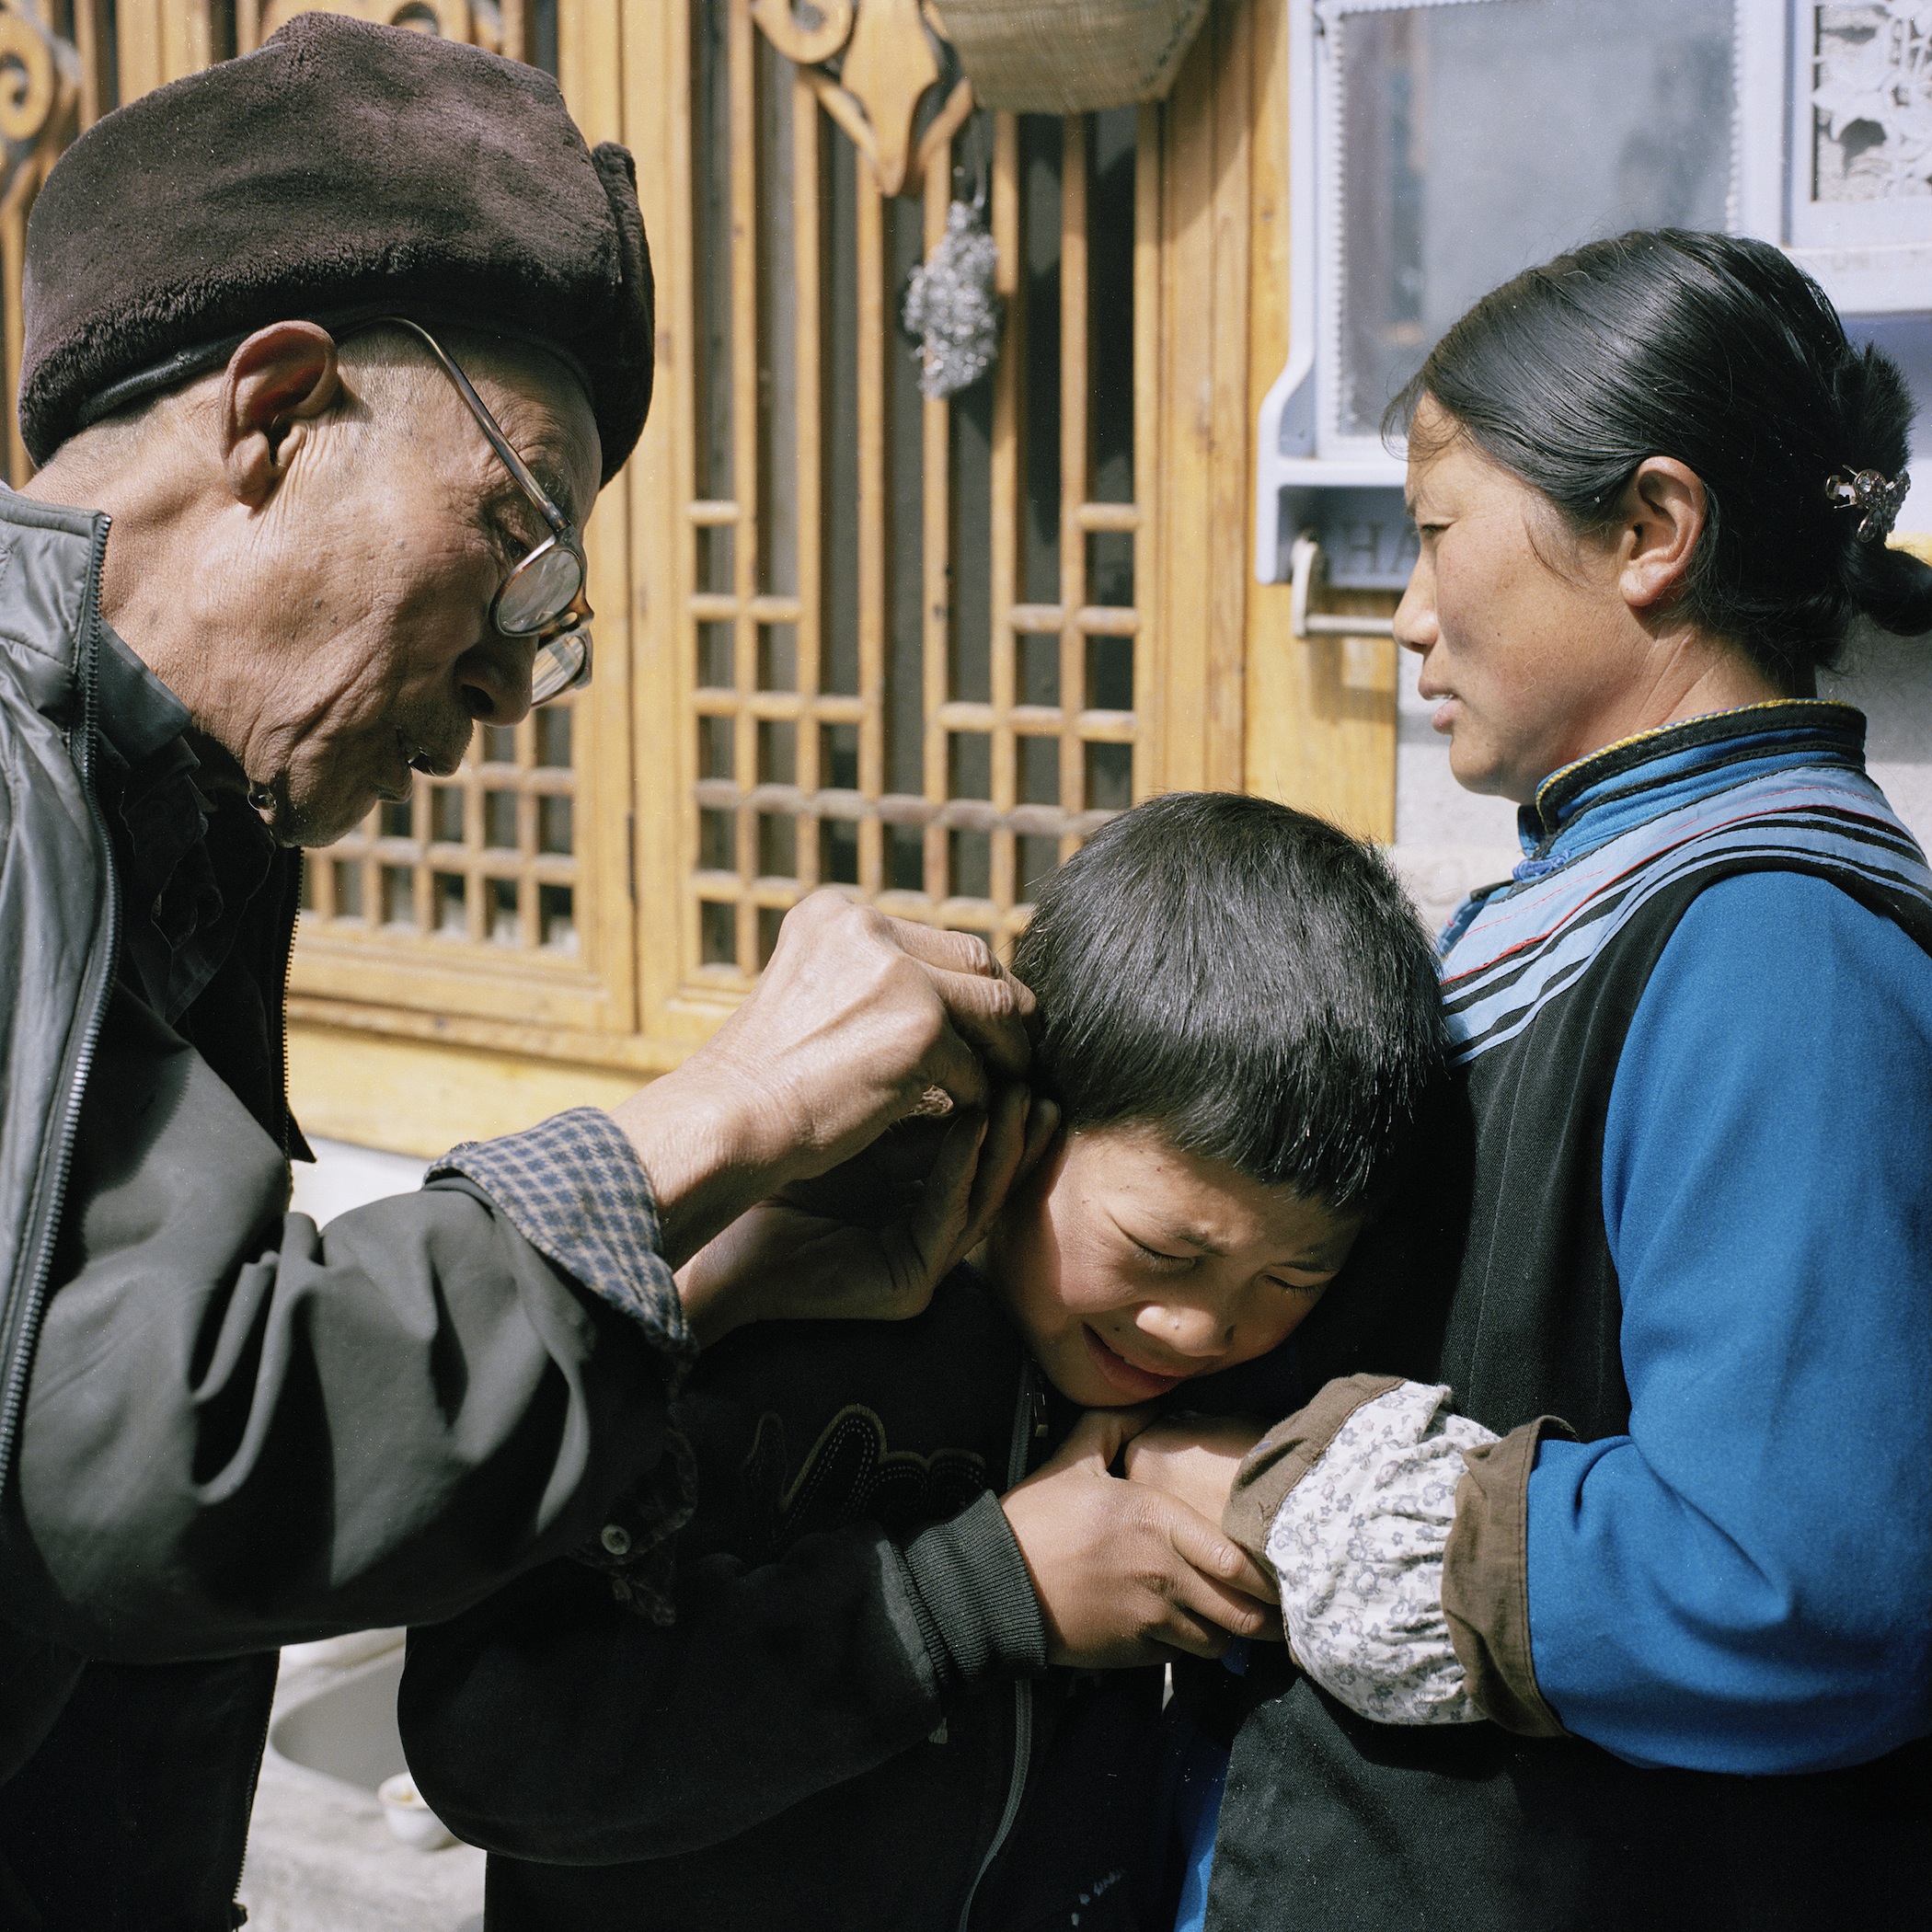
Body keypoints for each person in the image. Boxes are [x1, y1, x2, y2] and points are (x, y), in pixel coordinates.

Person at [0, 18, 1033, 1926]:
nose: (498, 698)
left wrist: (710, 1288)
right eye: (519, 543)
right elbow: (142, 1454)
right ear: (278, 409)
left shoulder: (162, 816)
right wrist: (719, 1114)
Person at [1154, 230, 1932, 1930]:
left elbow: (1795, 1588)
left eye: (1439, 533)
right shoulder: (1610, 890)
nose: (1415, 610)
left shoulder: (1773, 945)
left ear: (1650, 531)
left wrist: (1308, 1502)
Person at [395, 791, 1445, 1932]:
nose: (1200, 1328)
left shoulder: (1210, 1399)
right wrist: (986, 1595)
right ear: (1021, 1126)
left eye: (1291, 1281)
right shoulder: (753, 1312)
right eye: (1159, 1250)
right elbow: (503, 1748)